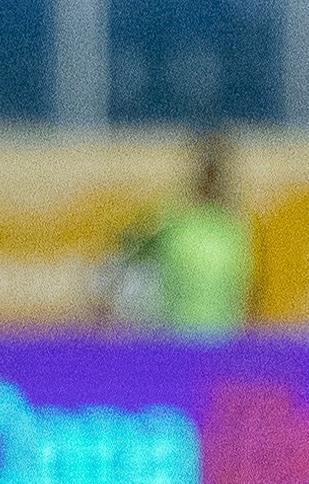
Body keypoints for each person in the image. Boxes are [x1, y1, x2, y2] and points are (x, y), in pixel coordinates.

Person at [107, 130, 253, 338]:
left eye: (216, 170)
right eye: (206, 169)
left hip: (221, 345)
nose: (211, 177)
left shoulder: (236, 224)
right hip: (174, 342)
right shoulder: (172, 217)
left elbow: (248, 293)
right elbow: (122, 257)